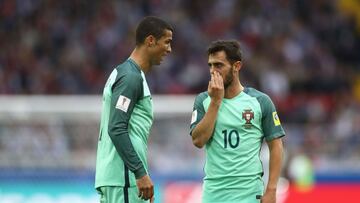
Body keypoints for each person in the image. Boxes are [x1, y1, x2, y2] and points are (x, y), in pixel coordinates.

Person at [190, 40, 285, 203]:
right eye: (210, 65)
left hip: (248, 192)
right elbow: (198, 141)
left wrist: (271, 189)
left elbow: (276, 146)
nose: (213, 71)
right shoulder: (203, 100)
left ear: (236, 66)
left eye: (219, 65)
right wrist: (215, 102)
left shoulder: (260, 101)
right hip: (213, 193)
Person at [95, 16, 173, 203]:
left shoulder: (128, 74)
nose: (169, 49)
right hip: (123, 178)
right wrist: (140, 174)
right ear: (151, 41)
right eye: (167, 42)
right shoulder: (130, 77)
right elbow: (116, 127)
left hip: (122, 178)